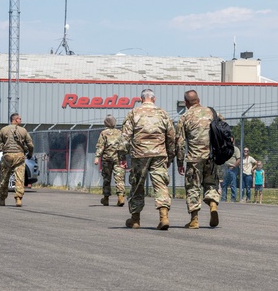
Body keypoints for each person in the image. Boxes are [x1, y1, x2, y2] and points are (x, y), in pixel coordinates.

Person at [120, 89, 176, 230]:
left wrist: (122, 156)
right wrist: (170, 155)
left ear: (141, 99)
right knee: (161, 185)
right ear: (154, 99)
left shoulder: (134, 113)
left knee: (137, 185)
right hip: (159, 154)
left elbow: (125, 137)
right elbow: (171, 136)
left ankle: (135, 219)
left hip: (140, 154)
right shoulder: (163, 113)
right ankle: (164, 217)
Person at [176, 90, 221, 228]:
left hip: (194, 159)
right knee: (211, 184)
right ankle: (213, 205)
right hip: (211, 157)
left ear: (186, 102)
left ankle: (194, 219)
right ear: (199, 99)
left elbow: (180, 142)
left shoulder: (185, 117)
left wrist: (179, 161)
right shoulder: (212, 113)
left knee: (193, 188)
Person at [0, 112, 34, 207]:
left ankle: (2, 198)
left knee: (4, 178)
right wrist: (30, 154)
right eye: (19, 118)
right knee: (19, 178)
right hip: (19, 156)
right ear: (15, 120)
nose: (20, 120)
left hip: (7, 156)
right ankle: (18, 198)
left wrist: (2, 147)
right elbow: (30, 145)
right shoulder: (23, 131)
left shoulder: (4, 130)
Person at [94, 115, 127, 207]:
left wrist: (97, 157)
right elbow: (124, 146)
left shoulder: (104, 133)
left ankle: (106, 198)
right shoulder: (120, 133)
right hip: (119, 159)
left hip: (107, 159)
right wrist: (124, 158)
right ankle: (120, 197)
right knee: (119, 179)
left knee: (106, 178)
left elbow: (101, 146)